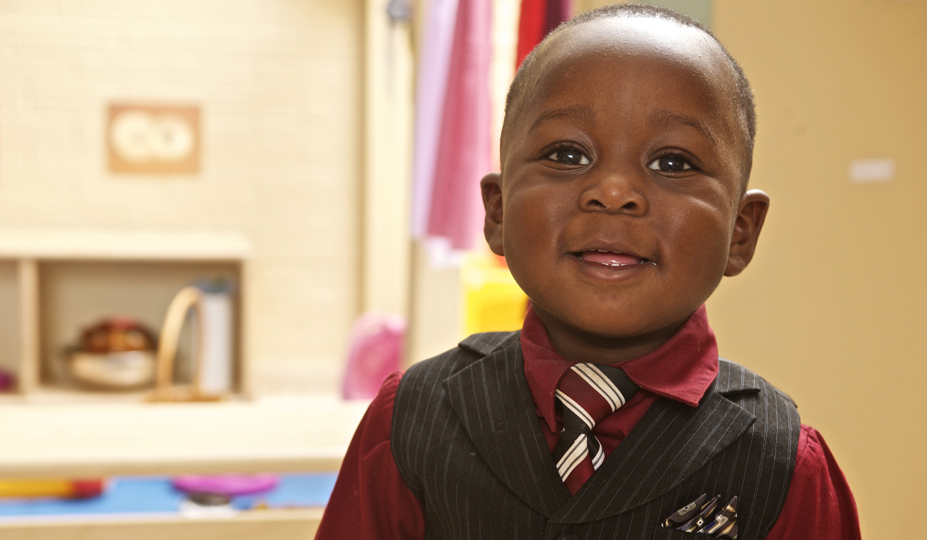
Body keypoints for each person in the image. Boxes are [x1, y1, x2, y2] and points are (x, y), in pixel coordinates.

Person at [316, 4, 860, 539]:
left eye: (673, 162)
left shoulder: (784, 463)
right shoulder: (408, 421)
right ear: (499, 212)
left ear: (740, 231)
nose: (614, 192)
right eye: (567, 154)